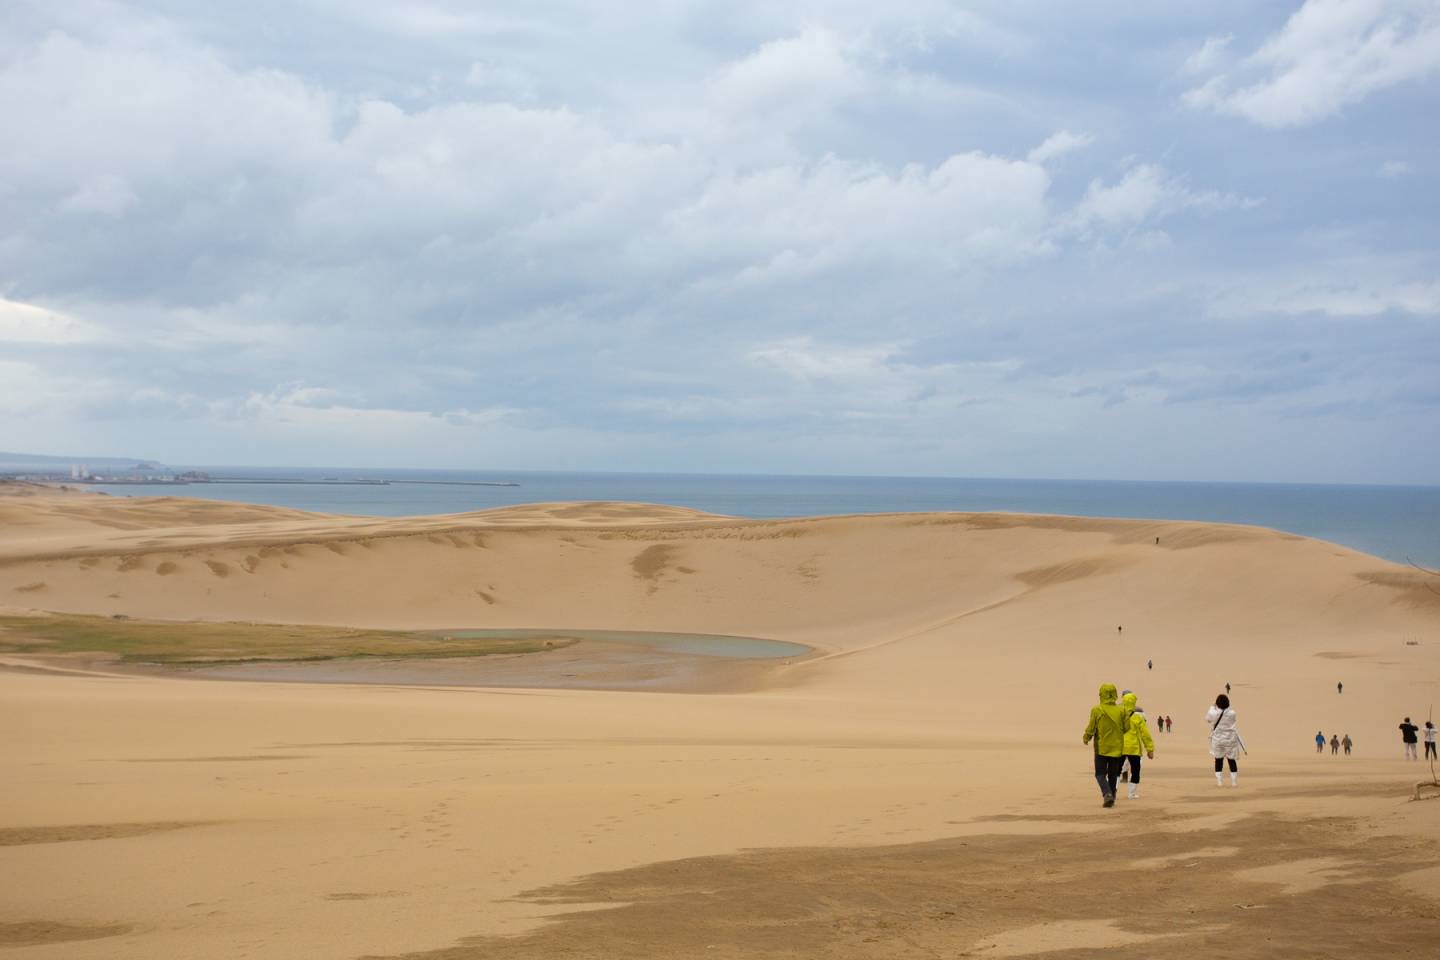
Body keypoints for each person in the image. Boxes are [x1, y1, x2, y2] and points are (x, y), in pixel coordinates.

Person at [1083, 683, 1128, 808]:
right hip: (1117, 747)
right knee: (1113, 774)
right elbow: (1126, 727)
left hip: (1101, 747)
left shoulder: (1097, 710)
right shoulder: (1122, 709)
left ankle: (1107, 794)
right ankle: (1112, 795)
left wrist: (1086, 737)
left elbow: (1091, 727)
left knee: (1100, 774)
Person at [1120, 692, 1156, 799]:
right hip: (1134, 748)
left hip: (1119, 747)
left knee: (1116, 770)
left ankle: (1113, 791)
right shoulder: (1138, 716)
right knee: (1135, 770)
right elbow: (1145, 734)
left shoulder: (1118, 715)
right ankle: (1131, 794)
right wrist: (1150, 749)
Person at [1206, 694, 1241, 786]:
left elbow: (1208, 719)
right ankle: (1234, 782)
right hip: (1230, 739)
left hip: (1218, 740)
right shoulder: (1232, 713)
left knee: (1218, 760)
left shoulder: (1214, 713)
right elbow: (1232, 719)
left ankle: (1219, 782)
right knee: (1232, 760)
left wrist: (1212, 707)